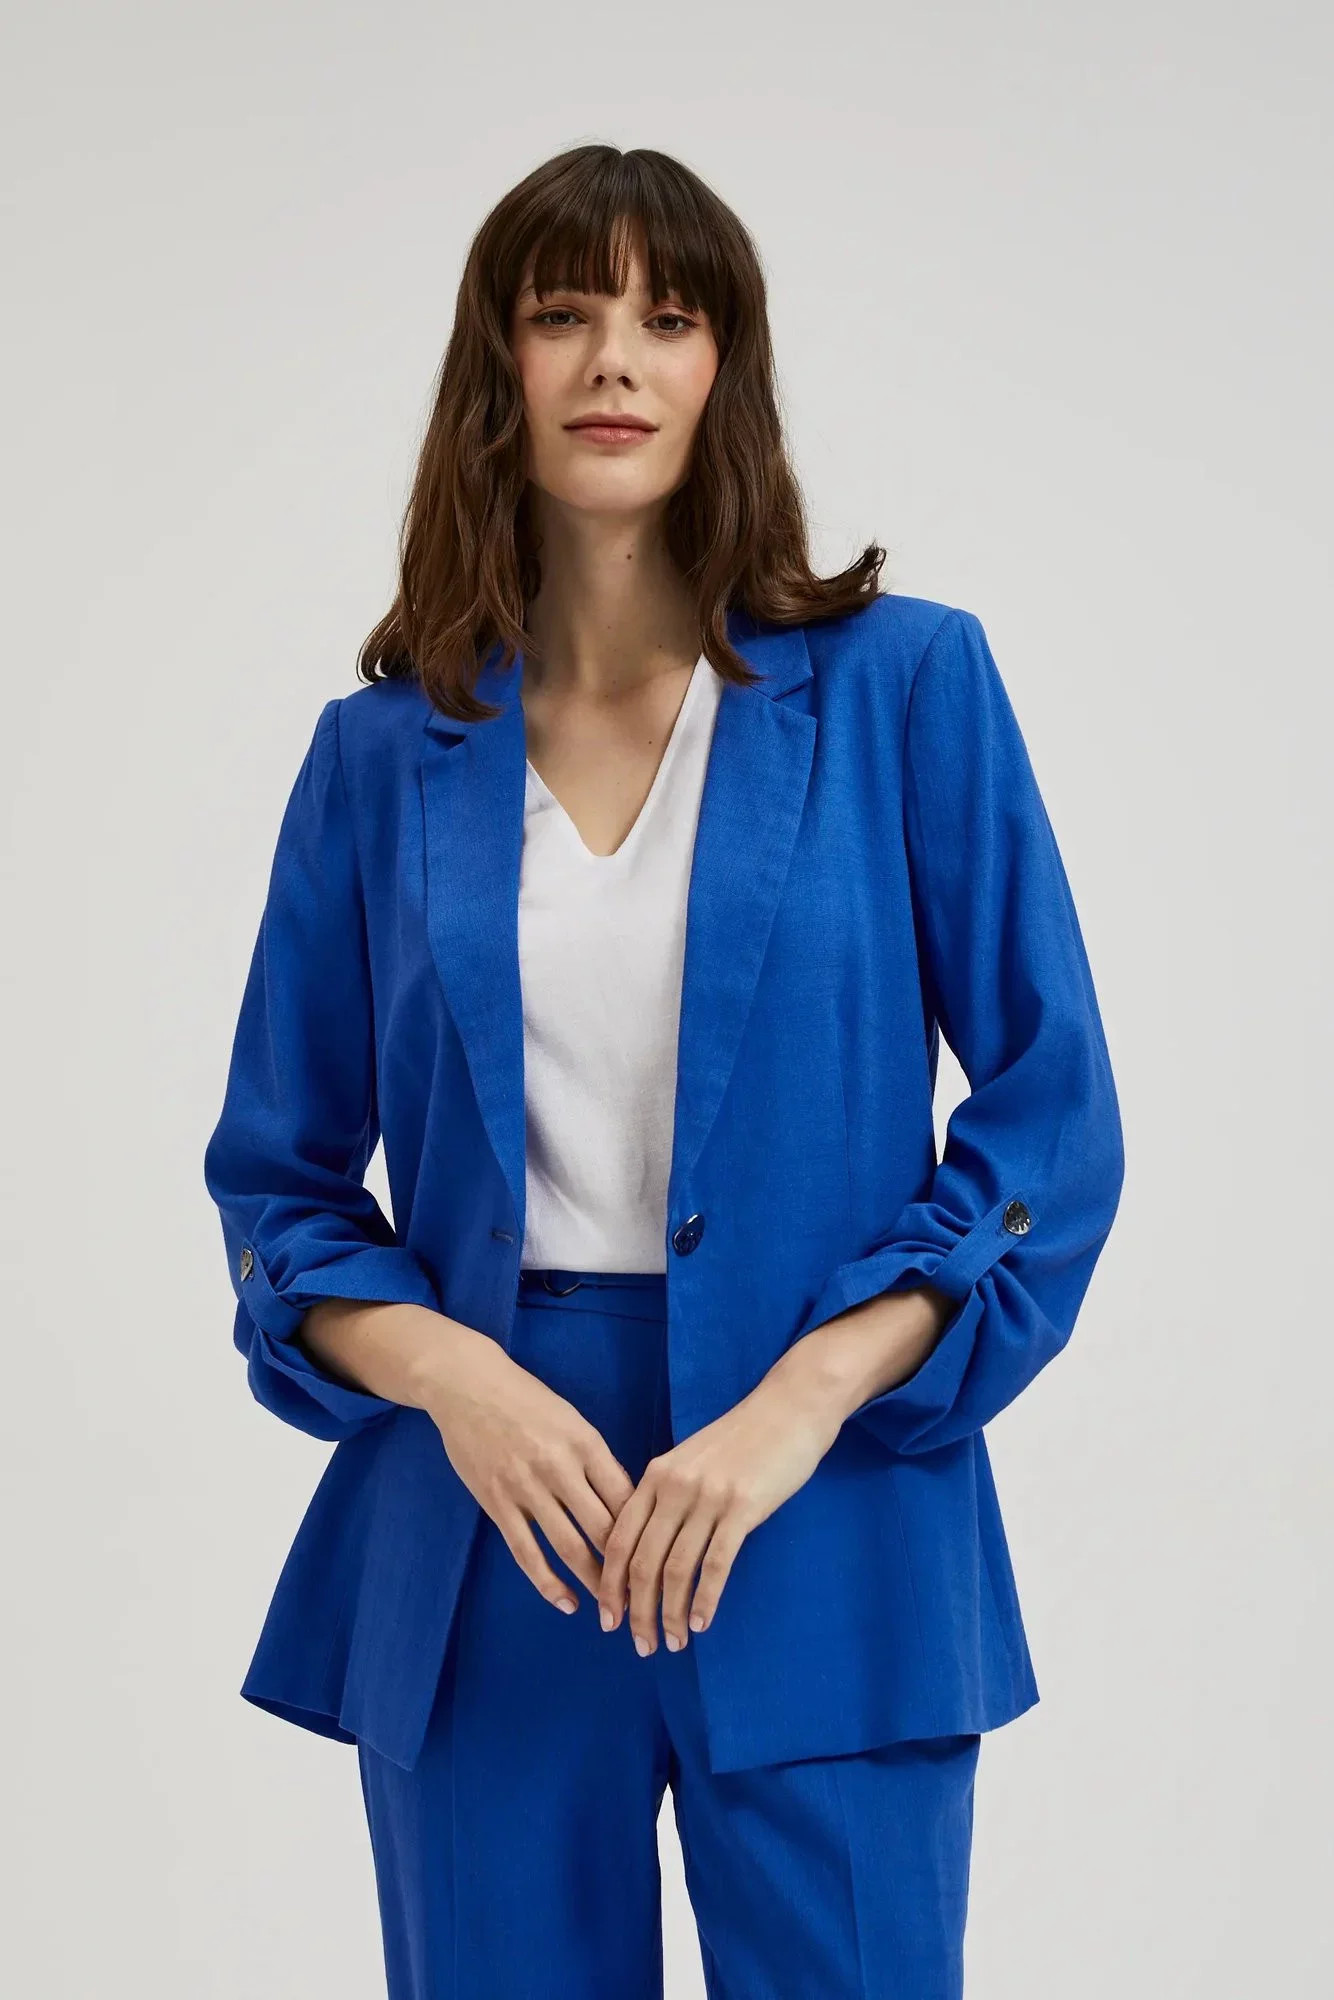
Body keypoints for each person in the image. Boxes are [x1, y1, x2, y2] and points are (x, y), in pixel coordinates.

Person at [203, 141, 1124, 1999]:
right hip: (492, 1521)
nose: (614, 357)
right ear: (498, 365)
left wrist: (803, 1402)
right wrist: (454, 1375)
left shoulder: (903, 689)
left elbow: (1049, 1122)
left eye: (669, 316)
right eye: (563, 313)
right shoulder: (377, 759)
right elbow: (280, 1186)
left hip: (822, 1503)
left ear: (724, 370)